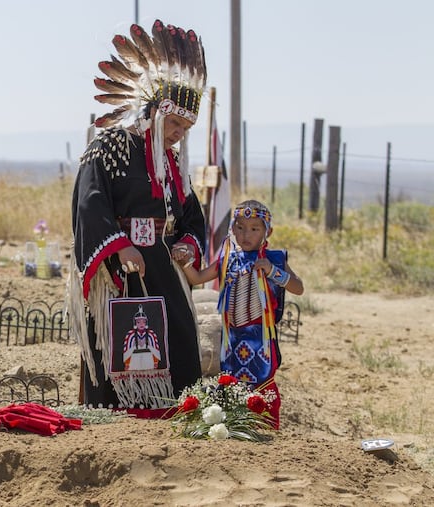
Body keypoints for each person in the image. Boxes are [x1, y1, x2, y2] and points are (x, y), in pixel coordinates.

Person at [68, 20, 208, 412]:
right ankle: (113, 418)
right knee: (116, 341)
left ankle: (175, 412)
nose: (180, 131)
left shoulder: (174, 164)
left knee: (178, 335)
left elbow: (192, 217)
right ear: (155, 112)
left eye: (187, 125)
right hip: (116, 268)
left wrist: (186, 244)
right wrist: (121, 246)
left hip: (162, 265)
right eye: (175, 122)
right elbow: (89, 202)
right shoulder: (110, 146)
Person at [175, 199, 304, 428]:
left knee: (262, 381)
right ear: (233, 229)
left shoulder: (275, 259)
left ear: (268, 231)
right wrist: (185, 263)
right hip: (233, 340)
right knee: (232, 382)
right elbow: (197, 278)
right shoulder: (227, 259)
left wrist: (273, 271)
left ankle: (265, 430)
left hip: (260, 341)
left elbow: (298, 287)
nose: (247, 234)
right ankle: (235, 428)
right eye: (241, 227)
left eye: (255, 229)